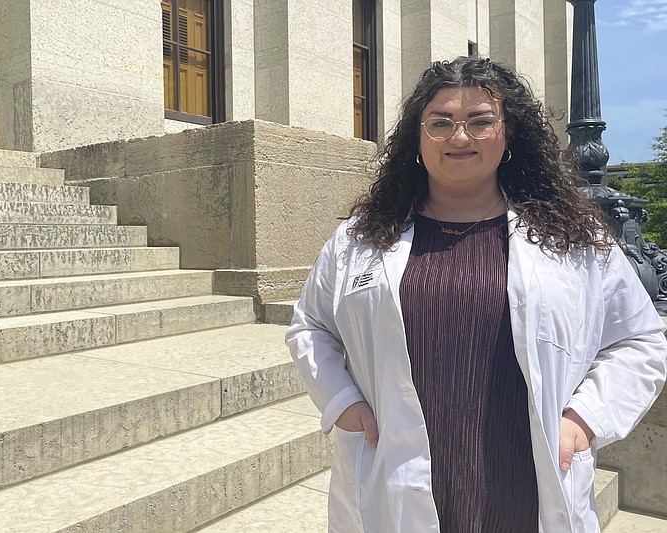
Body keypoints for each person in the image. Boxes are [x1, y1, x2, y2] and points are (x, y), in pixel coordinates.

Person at [285, 56, 667, 533]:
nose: (459, 137)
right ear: (417, 139)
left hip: (525, 484)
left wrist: (585, 417)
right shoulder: (362, 239)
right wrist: (342, 401)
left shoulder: (573, 238)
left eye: (481, 121)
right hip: (395, 482)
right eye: (440, 122)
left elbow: (639, 340)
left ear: (509, 136)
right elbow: (311, 325)